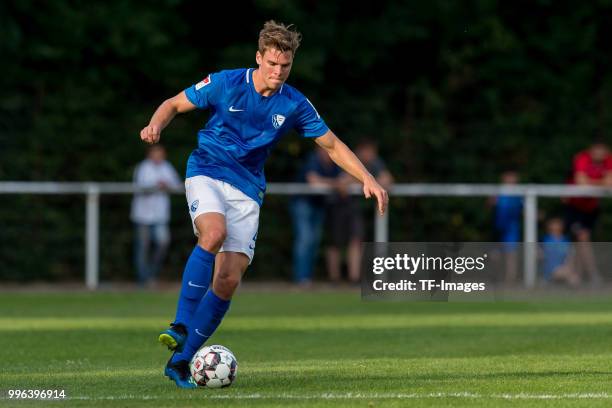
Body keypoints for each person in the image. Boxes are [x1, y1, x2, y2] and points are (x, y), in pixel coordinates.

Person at [139, 21, 388, 388]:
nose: (277, 71)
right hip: (207, 170)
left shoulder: (294, 103)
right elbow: (173, 103)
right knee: (213, 233)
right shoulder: (226, 83)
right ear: (258, 58)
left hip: (248, 189)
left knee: (227, 281)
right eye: (271, 63)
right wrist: (155, 125)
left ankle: (180, 361)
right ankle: (179, 323)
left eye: (284, 65)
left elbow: (332, 144)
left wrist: (367, 177)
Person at [326, 138, 393, 283]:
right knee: (335, 242)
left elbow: (387, 180)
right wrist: (366, 180)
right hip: (338, 206)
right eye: (369, 152)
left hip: (354, 208)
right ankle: (334, 279)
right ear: (361, 150)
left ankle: (354, 278)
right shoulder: (347, 157)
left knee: (356, 240)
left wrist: (366, 181)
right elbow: (342, 183)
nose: (371, 155)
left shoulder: (375, 162)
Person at [130, 144, 182, 287]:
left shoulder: (167, 167)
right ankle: (143, 279)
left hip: (160, 215)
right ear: (150, 154)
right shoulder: (143, 168)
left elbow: (177, 185)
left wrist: (167, 185)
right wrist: (157, 185)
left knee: (163, 243)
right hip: (143, 215)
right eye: (156, 153)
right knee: (143, 247)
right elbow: (141, 186)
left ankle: (151, 274)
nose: (158, 156)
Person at [290, 146, 340, 286]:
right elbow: (314, 181)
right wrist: (336, 184)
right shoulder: (313, 160)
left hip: (318, 205)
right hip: (303, 203)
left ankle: (307, 277)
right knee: (305, 239)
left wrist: (333, 183)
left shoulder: (335, 163)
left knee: (314, 241)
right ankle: (301, 277)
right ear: (319, 150)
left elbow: (346, 179)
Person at [565, 140, 612, 284]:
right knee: (583, 238)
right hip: (575, 205)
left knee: (581, 242)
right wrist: (600, 183)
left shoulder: (609, 159)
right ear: (591, 150)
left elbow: (610, 182)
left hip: (591, 207)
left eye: (602, 150)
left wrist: (591, 181)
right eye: (597, 150)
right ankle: (592, 274)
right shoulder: (582, 158)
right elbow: (581, 181)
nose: (600, 154)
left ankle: (574, 274)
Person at [490, 169, 522, 285]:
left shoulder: (519, 193)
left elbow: (523, 208)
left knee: (511, 254)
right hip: (498, 227)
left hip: (512, 228)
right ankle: (496, 277)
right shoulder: (498, 192)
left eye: (513, 177)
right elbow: (490, 205)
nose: (511, 180)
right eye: (509, 177)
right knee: (496, 254)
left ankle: (510, 279)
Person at [540, 217, 579, 287]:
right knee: (572, 277)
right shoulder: (545, 240)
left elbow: (570, 256)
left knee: (574, 278)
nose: (556, 227)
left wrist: (569, 266)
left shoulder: (566, 240)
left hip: (564, 268)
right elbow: (541, 254)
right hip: (550, 269)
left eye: (558, 225)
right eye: (554, 225)